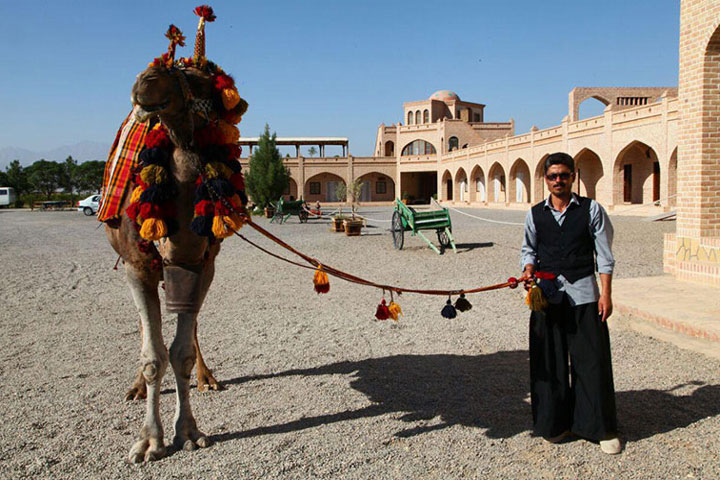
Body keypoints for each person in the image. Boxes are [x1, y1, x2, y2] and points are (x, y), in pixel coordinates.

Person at [520, 152, 621, 455]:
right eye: (553, 176)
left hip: (584, 296)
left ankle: (598, 428)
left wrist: (606, 294)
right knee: (549, 362)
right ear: (546, 179)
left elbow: (604, 256)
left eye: (564, 175)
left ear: (573, 176)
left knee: (591, 362)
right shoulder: (535, 214)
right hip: (546, 297)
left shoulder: (592, 210)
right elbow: (528, 250)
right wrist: (528, 269)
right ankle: (554, 424)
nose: (558, 181)